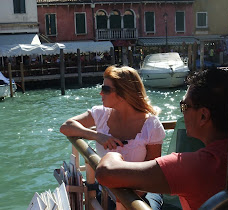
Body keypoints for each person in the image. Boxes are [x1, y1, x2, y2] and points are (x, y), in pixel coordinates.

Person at [96, 68, 228, 210]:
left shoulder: (193, 166)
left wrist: (113, 153)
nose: (182, 112)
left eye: (184, 106)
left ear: (203, 116)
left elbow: (105, 172)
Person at [60, 65, 165, 209]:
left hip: (142, 193)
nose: (100, 93)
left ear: (124, 93)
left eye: (105, 89)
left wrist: (124, 199)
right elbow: (66, 126)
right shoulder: (101, 114)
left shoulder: (151, 125)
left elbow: (153, 173)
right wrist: (97, 135)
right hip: (109, 191)